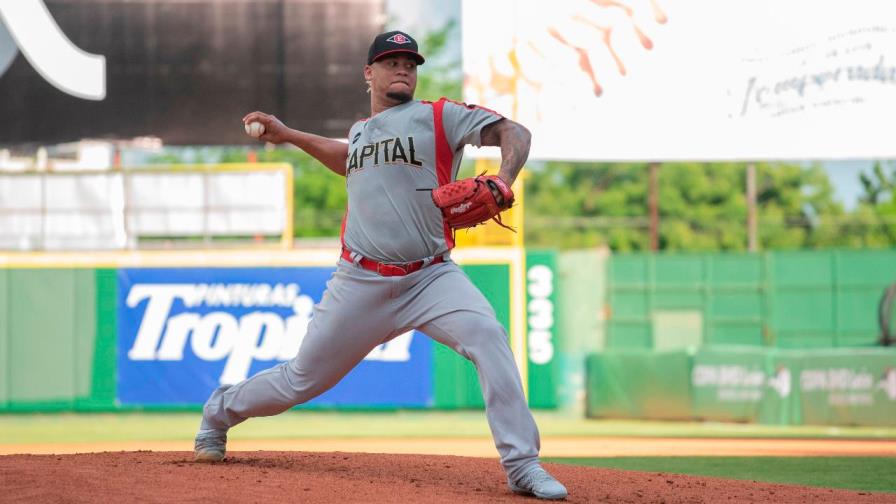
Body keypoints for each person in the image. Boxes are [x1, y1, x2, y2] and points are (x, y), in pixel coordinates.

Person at [193, 30, 568, 500]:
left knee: (488, 336)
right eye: (391, 62)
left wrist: (503, 178)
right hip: (360, 281)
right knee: (299, 381)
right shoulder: (360, 133)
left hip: (432, 277)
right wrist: (287, 135)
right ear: (369, 73)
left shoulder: (440, 117)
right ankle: (219, 412)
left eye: (410, 63)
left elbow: (516, 132)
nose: (403, 69)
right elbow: (348, 158)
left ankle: (522, 466)